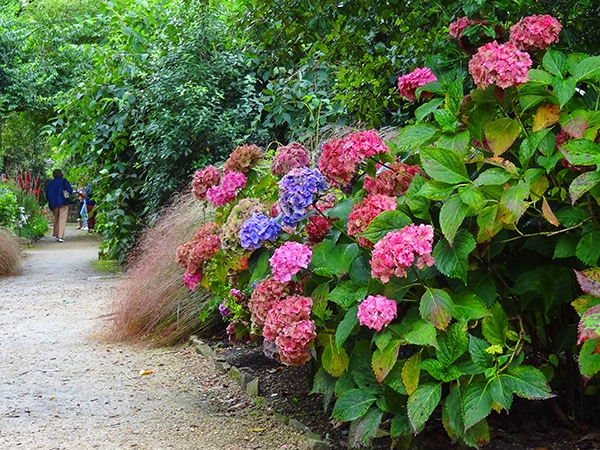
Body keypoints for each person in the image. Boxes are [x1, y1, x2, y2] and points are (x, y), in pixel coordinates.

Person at [45, 169, 73, 242]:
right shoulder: (64, 181)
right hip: (63, 202)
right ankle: (60, 236)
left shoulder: (50, 183)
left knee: (56, 218)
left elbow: (47, 193)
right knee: (62, 219)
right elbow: (70, 190)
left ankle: (56, 234)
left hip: (53, 203)